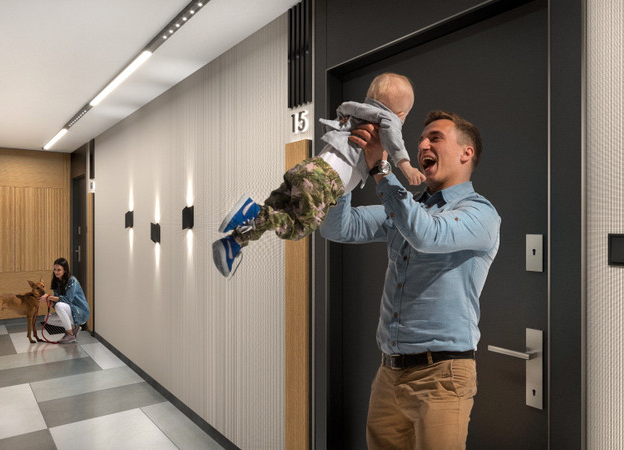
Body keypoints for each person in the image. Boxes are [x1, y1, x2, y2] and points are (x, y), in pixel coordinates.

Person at [319, 110, 501, 449]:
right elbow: (337, 227)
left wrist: (381, 168)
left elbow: (426, 234)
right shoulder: (407, 210)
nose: (422, 145)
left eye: (435, 138)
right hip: (389, 374)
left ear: (466, 153)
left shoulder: (480, 213)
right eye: (420, 140)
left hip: (442, 376)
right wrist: (349, 165)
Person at [212, 72, 425, 277]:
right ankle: (251, 211)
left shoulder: (356, 110)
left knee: (277, 209)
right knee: (298, 227)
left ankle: (234, 242)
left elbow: (341, 109)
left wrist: (343, 124)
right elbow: (395, 142)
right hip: (325, 182)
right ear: (401, 115)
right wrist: (406, 167)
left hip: (310, 166)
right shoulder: (389, 120)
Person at [40, 257, 90, 344]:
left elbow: (67, 300)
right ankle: (73, 327)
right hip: (70, 311)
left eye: (59, 270)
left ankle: (70, 334)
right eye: (55, 269)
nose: (56, 272)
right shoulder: (57, 282)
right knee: (47, 319)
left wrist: (49, 297)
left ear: (65, 270)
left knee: (59, 305)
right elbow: (57, 304)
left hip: (80, 313)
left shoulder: (72, 281)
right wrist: (48, 300)